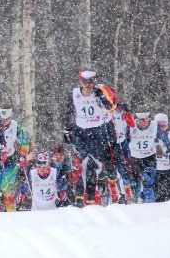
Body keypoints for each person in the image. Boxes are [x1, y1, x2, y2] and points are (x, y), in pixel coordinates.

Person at [63, 69, 117, 206]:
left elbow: (111, 107)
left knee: (94, 165)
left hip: (96, 132)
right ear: (80, 82)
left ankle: (95, 195)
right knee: (80, 164)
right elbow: (69, 111)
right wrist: (67, 129)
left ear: (94, 81)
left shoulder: (100, 91)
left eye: (90, 82)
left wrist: (103, 98)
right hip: (80, 132)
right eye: (85, 82)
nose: (88, 85)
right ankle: (79, 197)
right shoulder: (75, 94)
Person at [123, 109, 158, 203]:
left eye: (145, 120)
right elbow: (123, 140)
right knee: (136, 181)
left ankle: (149, 201)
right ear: (136, 120)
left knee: (148, 179)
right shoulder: (131, 126)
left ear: (149, 120)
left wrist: (168, 149)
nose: (143, 123)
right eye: (140, 120)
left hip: (149, 156)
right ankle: (137, 199)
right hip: (135, 157)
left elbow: (163, 137)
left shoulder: (154, 126)